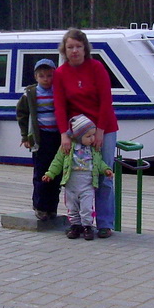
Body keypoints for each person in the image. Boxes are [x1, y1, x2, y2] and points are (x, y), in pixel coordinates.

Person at [53, 28, 119, 238]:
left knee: (104, 174)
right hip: (76, 132)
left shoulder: (96, 68)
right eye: (70, 47)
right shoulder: (61, 73)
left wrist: (100, 131)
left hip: (103, 127)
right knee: (77, 176)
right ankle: (80, 221)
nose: (74, 51)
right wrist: (64, 133)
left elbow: (106, 102)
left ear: (85, 48)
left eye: (78, 47)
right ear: (65, 50)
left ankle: (105, 223)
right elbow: (60, 106)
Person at [42, 114, 113, 240]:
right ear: (78, 136)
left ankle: (87, 226)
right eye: (88, 136)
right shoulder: (67, 148)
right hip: (71, 183)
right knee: (72, 206)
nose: (92, 139)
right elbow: (57, 161)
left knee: (86, 207)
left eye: (93, 135)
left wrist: (106, 169)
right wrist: (50, 173)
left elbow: (99, 162)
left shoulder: (93, 150)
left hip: (87, 184)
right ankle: (75, 225)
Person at [16, 58, 61, 221]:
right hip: (40, 138)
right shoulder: (30, 93)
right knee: (41, 172)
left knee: (57, 172)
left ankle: (52, 207)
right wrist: (25, 136)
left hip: (57, 137)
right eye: (42, 76)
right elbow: (22, 114)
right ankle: (40, 206)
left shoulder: (58, 91)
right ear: (36, 77)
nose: (46, 79)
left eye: (49, 76)